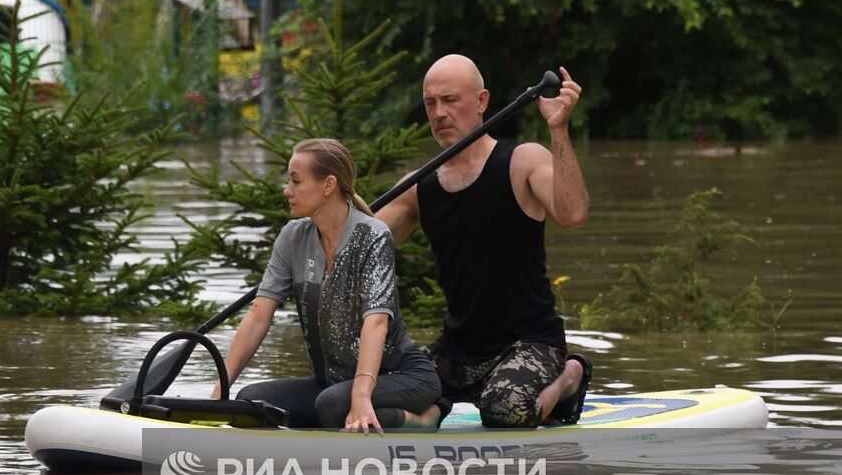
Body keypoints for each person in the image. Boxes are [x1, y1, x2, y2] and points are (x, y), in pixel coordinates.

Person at [376, 55, 591, 428]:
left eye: (450, 100)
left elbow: (572, 214)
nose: (440, 113)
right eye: (431, 103)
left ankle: (570, 377)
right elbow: (361, 243)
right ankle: (431, 412)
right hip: (458, 350)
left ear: (481, 101)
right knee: (382, 386)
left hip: (531, 344)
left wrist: (558, 130)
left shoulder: (522, 161)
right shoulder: (419, 186)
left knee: (503, 410)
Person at [211, 138, 444, 433]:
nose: (287, 190)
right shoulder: (293, 236)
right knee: (251, 402)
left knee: (332, 404)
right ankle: (343, 413)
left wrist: (360, 395)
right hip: (333, 383)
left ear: (328, 185)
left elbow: (376, 323)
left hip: (403, 376)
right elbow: (259, 313)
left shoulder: (372, 235)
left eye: (296, 181)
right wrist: (221, 389)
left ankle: (426, 418)